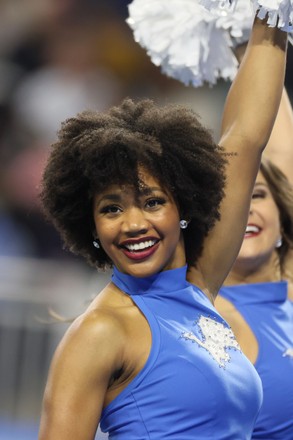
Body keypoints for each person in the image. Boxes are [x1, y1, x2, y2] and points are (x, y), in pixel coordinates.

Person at [38, 16, 287, 440]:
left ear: (184, 208)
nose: (134, 224)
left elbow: (245, 139)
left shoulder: (198, 286)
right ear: (90, 225)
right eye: (112, 209)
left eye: (153, 202)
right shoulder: (99, 333)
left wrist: (271, 13)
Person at [214, 86, 293, 438]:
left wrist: (250, 42)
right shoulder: (199, 307)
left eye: (258, 195)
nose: (244, 209)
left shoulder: (288, 284)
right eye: (227, 203)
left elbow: (281, 153)